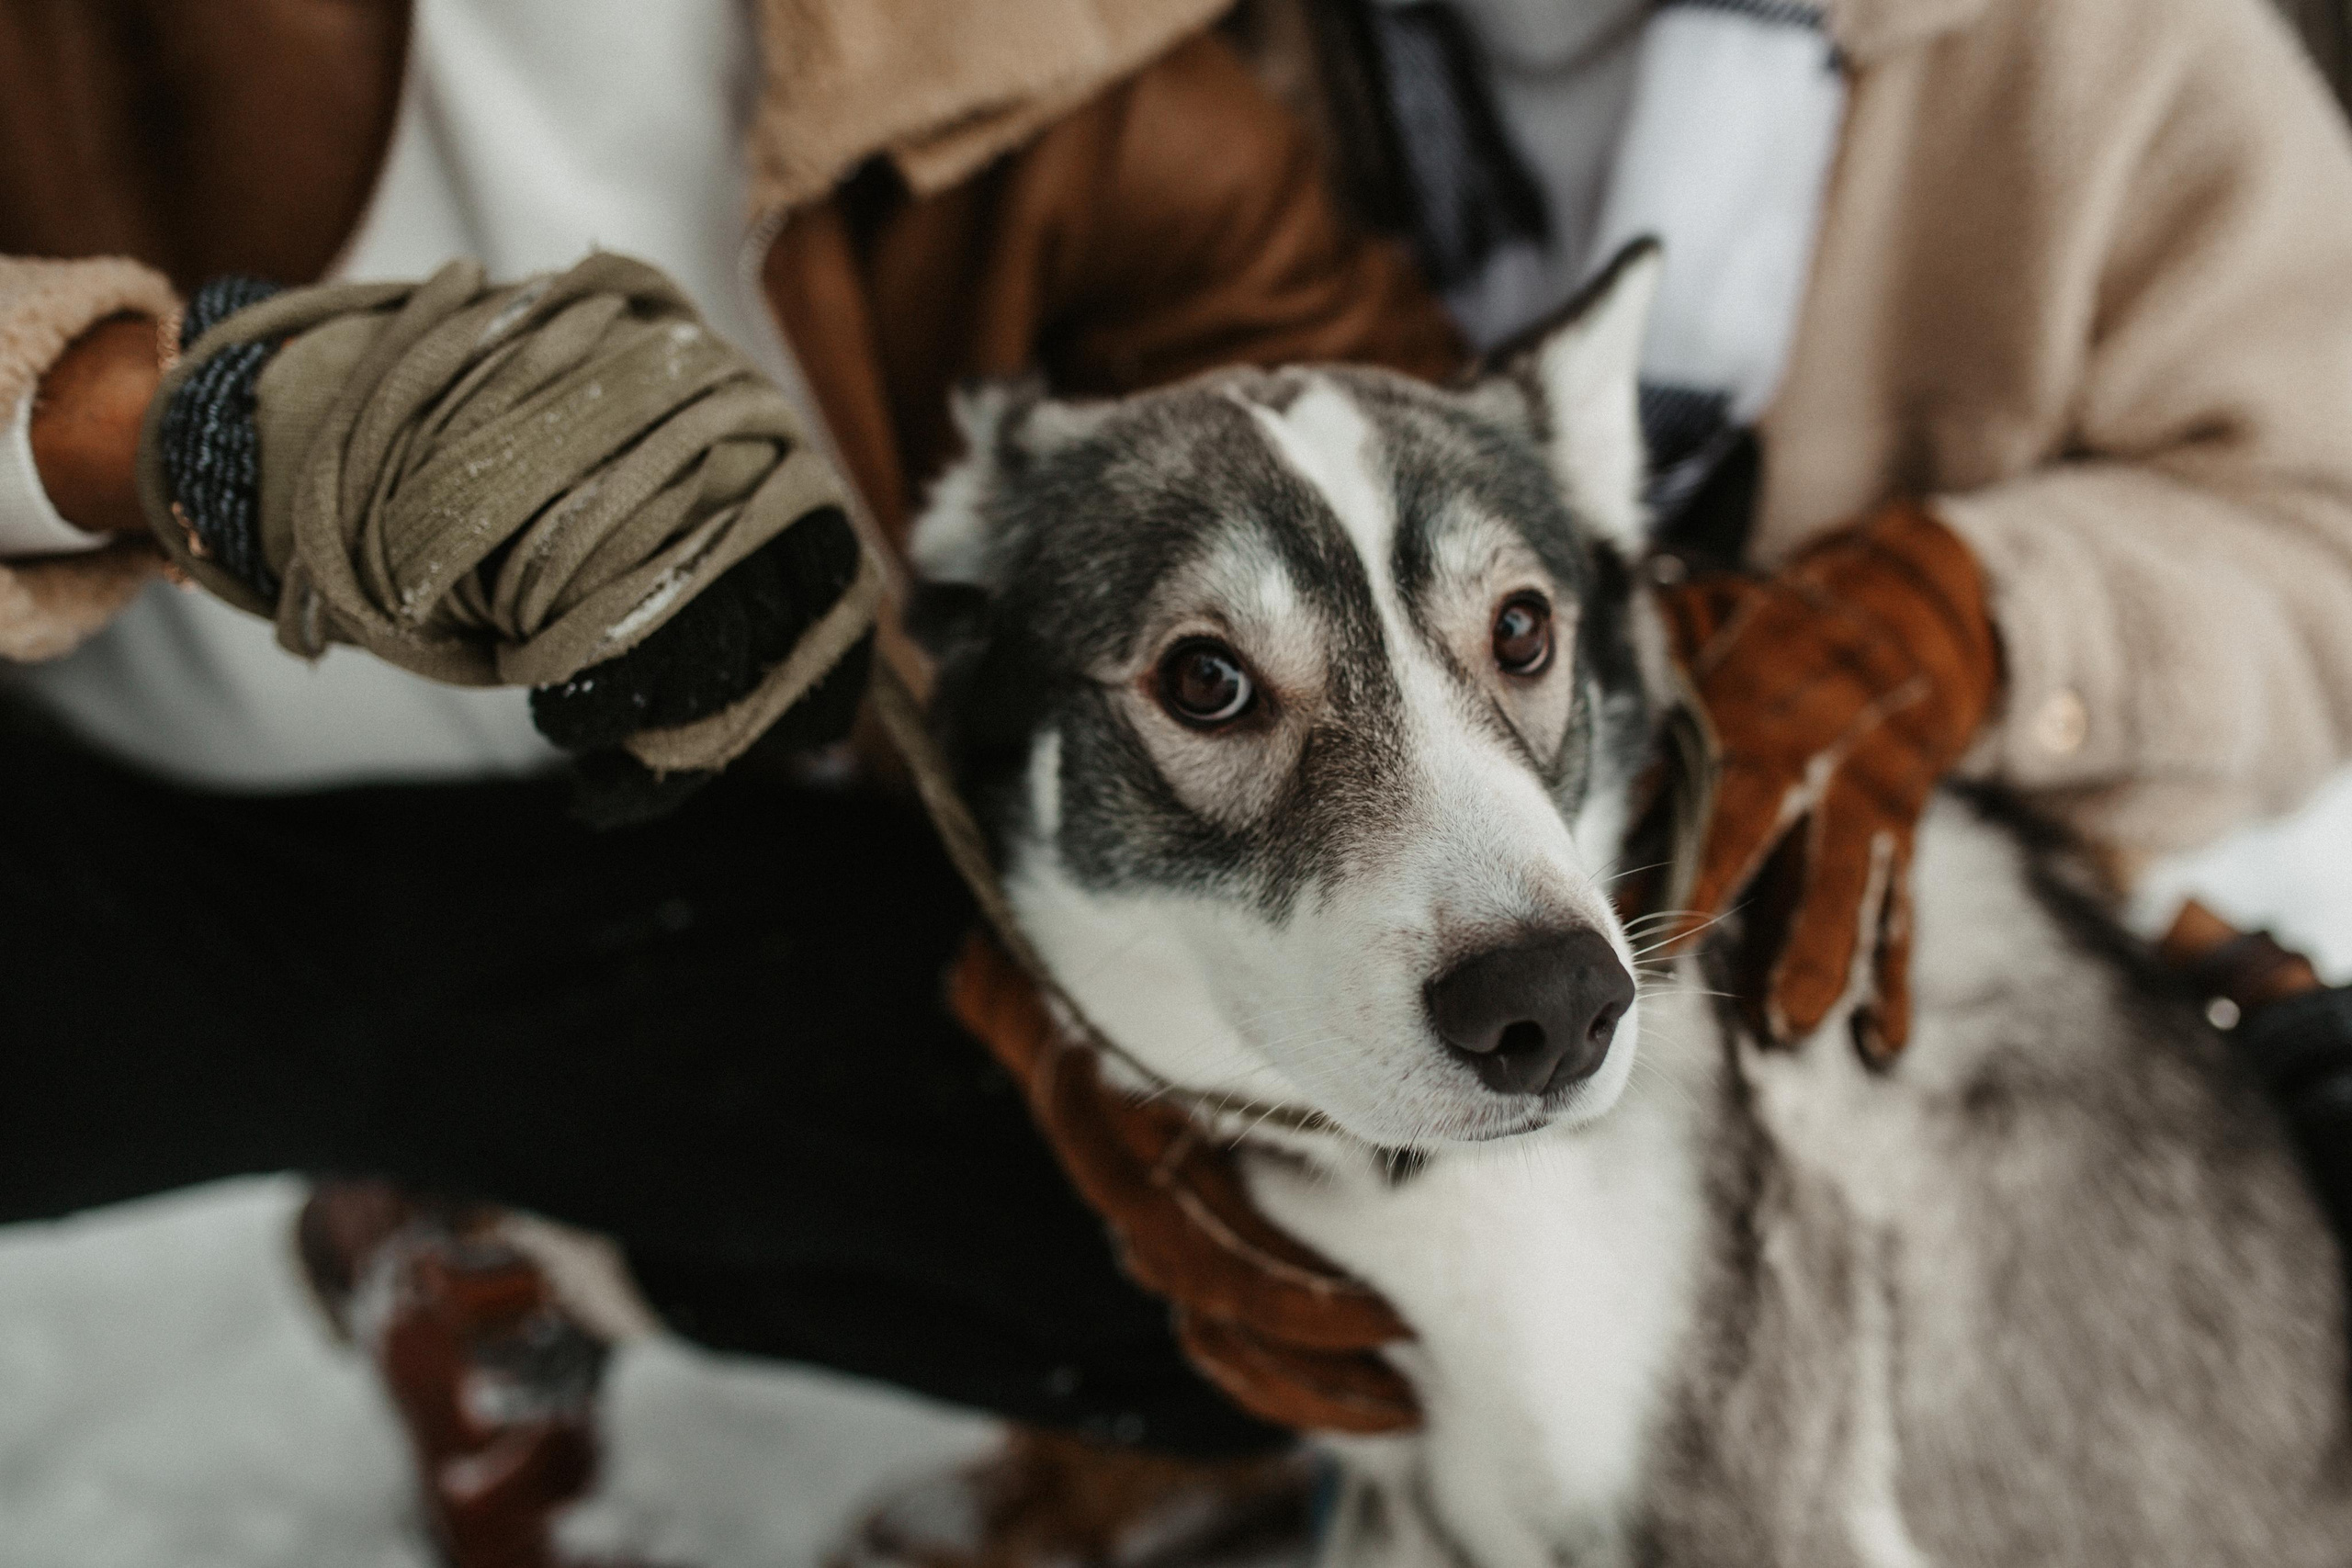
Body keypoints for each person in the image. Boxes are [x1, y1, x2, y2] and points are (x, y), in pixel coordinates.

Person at [8, 0, 2352, 1562]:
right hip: (137, 812)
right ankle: (498, 1219)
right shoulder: (1311, 29)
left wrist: (1972, 614)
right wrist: (131, 419)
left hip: (1805, 861)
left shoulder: (2105, 62)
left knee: (1262, 1229)